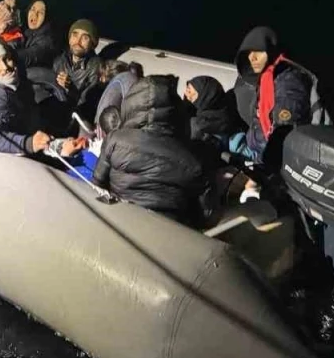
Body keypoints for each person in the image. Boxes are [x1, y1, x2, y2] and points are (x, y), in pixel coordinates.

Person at [92, 78, 218, 223]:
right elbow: (207, 216)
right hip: (168, 230)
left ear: (130, 106)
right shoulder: (194, 158)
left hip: (120, 222)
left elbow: (97, 186)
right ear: (176, 111)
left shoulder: (115, 140)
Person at [0, 41, 81, 156]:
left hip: (34, 129)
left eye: (7, 59)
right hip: (21, 149)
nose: (5, 67)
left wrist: (57, 139)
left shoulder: (18, 76)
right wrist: (29, 143)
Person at [231, 26, 315, 162]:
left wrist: (257, 165)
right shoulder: (267, 79)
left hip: (266, 158)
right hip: (257, 147)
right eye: (248, 53)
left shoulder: (288, 83)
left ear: (271, 51)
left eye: (258, 51)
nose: (252, 58)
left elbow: (282, 143)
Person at [51, 19, 103, 118]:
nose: (78, 42)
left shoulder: (96, 67)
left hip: (76, 118)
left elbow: (88, 106)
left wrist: (71, 88)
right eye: (75, 35)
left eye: (85, 38)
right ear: (69, 39)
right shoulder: (60, 60)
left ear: (92, 44)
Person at [184, 74, 244, 149]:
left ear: (204, 98)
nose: (186, 94)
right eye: (187, 88)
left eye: (190, 92)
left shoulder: (203, 124)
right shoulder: (223, 104)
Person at [17, 0, 58, 68]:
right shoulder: (24, 30)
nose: (35, 14)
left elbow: (30, 56)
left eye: (41, 12)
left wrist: (5, 54)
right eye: (32, 9)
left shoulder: (47, 41)